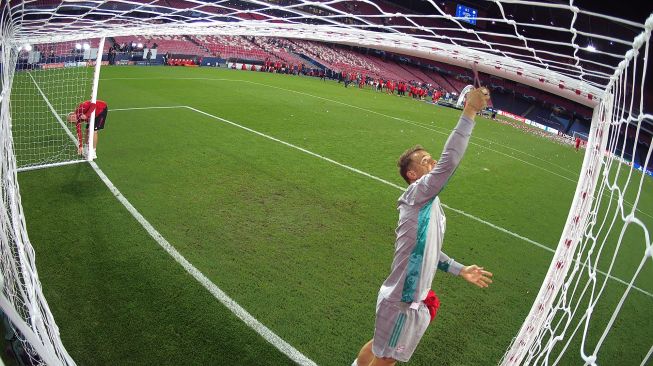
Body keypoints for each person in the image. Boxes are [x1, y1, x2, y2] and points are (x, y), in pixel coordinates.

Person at [352, 87, 494, 366]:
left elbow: (428, 252)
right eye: (425, 160)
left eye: (431, 157)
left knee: (379, 349)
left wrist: (459, 268)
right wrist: (469, 111)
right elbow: (450, 161)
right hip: (402, 303)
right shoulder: (418, 193)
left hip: (399, 298)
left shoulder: (429, 204)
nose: (433, 161)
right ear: (412, 175)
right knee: (386, 360)